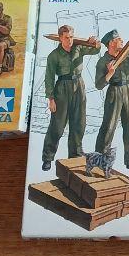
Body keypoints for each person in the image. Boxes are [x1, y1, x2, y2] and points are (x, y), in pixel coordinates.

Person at [41, 25, 99, 171]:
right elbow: (49, 78)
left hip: (79, 86)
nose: (70, 40)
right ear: (60, 38)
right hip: (62, 88)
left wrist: (95, 42)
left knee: (79, 123)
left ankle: (75, 155)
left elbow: (95, 50)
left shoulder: (78, 48)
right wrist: (51, 99)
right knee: (57, 126)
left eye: (71, 37)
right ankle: (47, 158)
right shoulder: (54, 55)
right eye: (66, 37)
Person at [94, 28, 129, 169]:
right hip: (114, 91)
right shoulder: (103, 61)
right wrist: (109, 74)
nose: (122, 41)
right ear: (111, 43)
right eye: (118, 39)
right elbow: (99, 85)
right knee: (109, 126)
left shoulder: (127, 54)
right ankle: (100, 158)